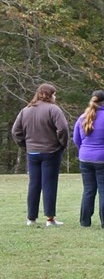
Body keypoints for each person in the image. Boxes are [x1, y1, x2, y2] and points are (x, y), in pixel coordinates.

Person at [11, 83, 69, 227]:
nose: (55, 97)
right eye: (54, 94)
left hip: (33, 153)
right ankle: (50, 219)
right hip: (51, 152)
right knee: (49, 185)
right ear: (49, 95)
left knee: (34, 184)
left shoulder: (26, 110)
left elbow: (15, 131)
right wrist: (62, 144)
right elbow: (62, 129)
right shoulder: (53, 109)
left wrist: (25, 145)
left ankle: (31, 218)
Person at [73, 90, 104, 229]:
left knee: (88, 190)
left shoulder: (82, 117)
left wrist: (84, 151)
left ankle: (85, 221)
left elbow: (76, 140)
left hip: (85, 158)